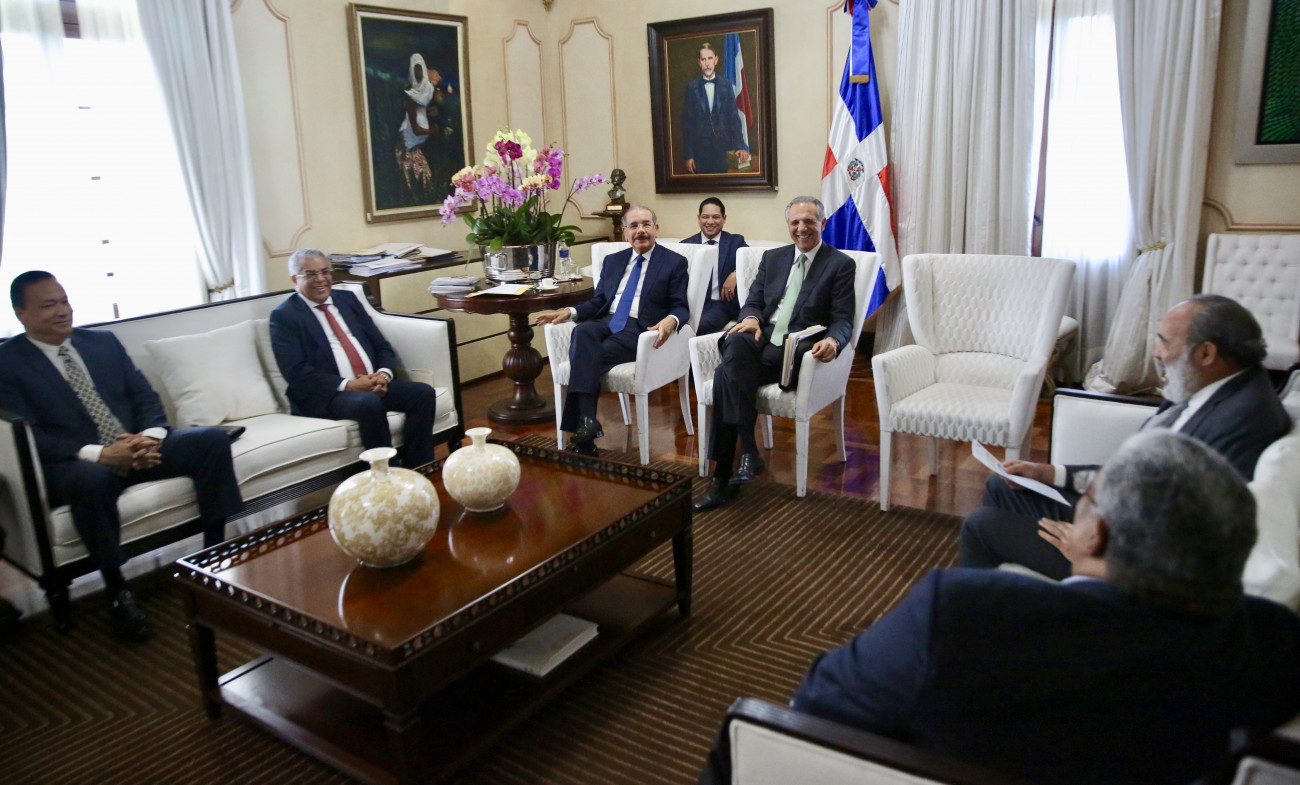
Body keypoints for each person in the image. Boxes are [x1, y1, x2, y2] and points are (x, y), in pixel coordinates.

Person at [700, 430, 1300, 785]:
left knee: (735, 737)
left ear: (1094, 535)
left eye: (1087, 499)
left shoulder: (961, 614)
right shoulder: (1271, 643)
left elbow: (818, 700)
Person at [960, 294, 1291, 579]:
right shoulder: (1207, 386)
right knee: (1004, 484)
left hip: (1128, 552)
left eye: (1165, 341)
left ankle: (974, 613)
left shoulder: (1246, 419)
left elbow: (1197, 535)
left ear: (1206, 353)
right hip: (1118, 512)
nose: (1157, 353)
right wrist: (1048, 473)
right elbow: (1140, 474)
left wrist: (1092, 549)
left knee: (981, 525)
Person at [0, 271, 242, 641]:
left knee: (211, 441)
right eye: (49, 305)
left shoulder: (102, 343)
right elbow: (27, 435)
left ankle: (213, 556)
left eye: (65, 301)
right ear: (22, 314)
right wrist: (102, 454)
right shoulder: (9, 363)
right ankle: (118, 591)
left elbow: (144, 396)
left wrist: (149, 438)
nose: (62, 311)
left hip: (136, 444)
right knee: (92, 480)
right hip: (74, 462)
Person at [694, 196, 857, 511]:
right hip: (762, 336)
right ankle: (747, 454)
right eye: (795, 222)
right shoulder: (773, 258)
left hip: (795, 347)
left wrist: (834, 341)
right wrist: (751, 318)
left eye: (808, 221)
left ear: (822, 224)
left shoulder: (839, 264)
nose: (801, 228)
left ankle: (723, 476)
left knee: (724, 375)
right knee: (737, 341)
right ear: (788, 225)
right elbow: (753, 301)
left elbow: (843, 319)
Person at [535, 205, 689, 456]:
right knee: (582, 333)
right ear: (625, 232)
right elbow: (599, 301)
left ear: (656, 229)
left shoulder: (674, 262)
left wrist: (671, 320)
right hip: (607, 320)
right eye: (634, 226)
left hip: (640, 328)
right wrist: (570, 312)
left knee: (587, 355)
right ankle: (587, 423)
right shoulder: (613, 260)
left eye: (646, 224)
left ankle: (585, 425)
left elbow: (681, 306)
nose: (640, 231)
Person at [269, 249, 439, 467]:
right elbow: (297, 374)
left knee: (422, 393)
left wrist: (383, 375)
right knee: (368, 403)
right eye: (311, 274)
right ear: (295, 279)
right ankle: (387, 474)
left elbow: (381, 345)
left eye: (325, 272)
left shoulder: (347, 300)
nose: (321, 279)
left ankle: (419, 467)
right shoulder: (285, 316)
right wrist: (349, 385)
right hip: (327, 394)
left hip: (371, 382)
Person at [682, 197, 748, 335]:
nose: (710, 222)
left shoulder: (735, 242)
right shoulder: (686, 245)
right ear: (699, 218)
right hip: (690, 304)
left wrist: (736, 274)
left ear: (724, 218)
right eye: (705, 217)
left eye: (716, 217)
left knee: (697, 326)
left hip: (720, 305)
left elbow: (754, 263)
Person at [681, 42, 750, 175]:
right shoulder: (691, 88)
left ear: (716, 60)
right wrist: (689, 155)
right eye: (703, 59)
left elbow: (734, 118)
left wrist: (739, 146)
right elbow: (687, 125)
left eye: (710, 58)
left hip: (722, 152)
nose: (707, 63)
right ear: (699, 62)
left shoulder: (726, 86)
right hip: (700, 153)